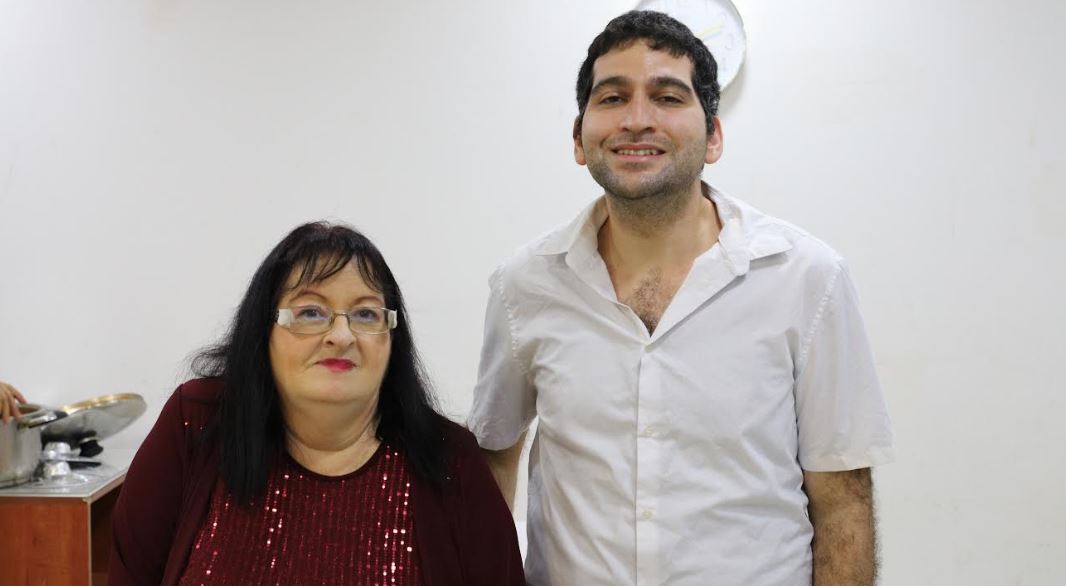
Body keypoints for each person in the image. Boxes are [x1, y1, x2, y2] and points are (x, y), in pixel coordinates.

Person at [468, 10, 894, 586]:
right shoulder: (524, 286)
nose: (636, 120)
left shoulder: (807, 279)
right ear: (578, 138)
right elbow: (493, 466)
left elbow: (842, 498)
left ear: (713, 136)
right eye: (612, 98)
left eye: (667, 98)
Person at [110, 222, 523, 585]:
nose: (341, 336)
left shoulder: (450, 461)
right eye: (310, 312)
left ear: (392, 340)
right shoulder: (196, 426)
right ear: (263, 331)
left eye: (366, 315)